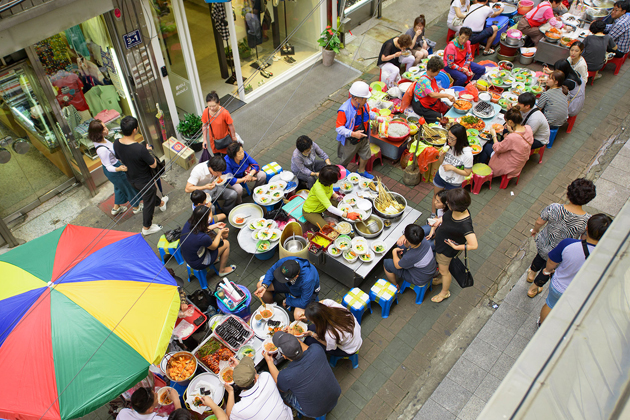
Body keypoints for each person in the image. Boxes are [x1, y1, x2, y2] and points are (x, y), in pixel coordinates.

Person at [532, 213, 612, 324]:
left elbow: (551, 261)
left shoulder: (569, 244)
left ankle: (542, 324)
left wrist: (548, 271)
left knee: (550, 305)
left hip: (559, 287)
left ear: (587, 227)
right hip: (581, 293)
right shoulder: (609, 256)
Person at [526, 178, 596, 296]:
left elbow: (539, 221)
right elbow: (583, 239)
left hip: (544, 242)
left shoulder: (554, 207)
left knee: (539, 257)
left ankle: (531, 274)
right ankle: (533, 289)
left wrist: (535, 230)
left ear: (569, 193)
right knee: (547, 269)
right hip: (560, 251)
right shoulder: (587, 220)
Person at [263, 331, 341, 418]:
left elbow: (280, 386)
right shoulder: (317, 349)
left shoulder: (285, 376)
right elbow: (306, 349)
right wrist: (291, 339)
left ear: (284, 356)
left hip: (314, 411)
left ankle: (293, 411)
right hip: (335, 395)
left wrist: (269, 362)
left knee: (279, 391)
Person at [113, 116, 167, 236]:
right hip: (144, 180)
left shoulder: (116, 143)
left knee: (148, 195)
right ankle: (146, 227)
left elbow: (119, 157)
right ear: (135, 130)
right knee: (148, 200)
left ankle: (161, 203)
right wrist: (148, 151)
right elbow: (153, 165)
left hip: (130, 178)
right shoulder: (139, 148)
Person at [432, 188, 478, 303]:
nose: (446, 204)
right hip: (441, 243)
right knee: (443, 268)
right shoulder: (457, 210)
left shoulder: (465, 225)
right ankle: (442, 279)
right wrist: (440, 220)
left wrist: (457, 247)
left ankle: (444, 292)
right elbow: (448, 218)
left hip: (446, 251)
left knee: (444, 271)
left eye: (448, 202)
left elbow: (474, 245)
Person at [88, 120, 142, 216]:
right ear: (98, 133)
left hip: (115, 166)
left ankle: (116, 208)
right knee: (128, 187)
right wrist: (119, 169)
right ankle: (136, 207)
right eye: (103, 128)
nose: (106, 129)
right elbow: (108, 166)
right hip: (114, 170)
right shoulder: (101, 150)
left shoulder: (100, 140)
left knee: (119, 187)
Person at [224, 357, 292, 420]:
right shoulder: (266, 377)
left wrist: (230, 392)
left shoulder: (239, 409)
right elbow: (256, 375)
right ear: (256, 378)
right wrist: (242, 368)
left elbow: (229, 417)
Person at [255, 257, 320, 320]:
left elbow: (304, 302)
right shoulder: (286, 261)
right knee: (259, 285)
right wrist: (264, 286)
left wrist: (287, 301)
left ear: (296, 276)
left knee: (298, 315)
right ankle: (273, 306)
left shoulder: (308, 280)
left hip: (303, 292)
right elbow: (272, 270)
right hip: (288, 284)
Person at [335, 81, 376, 179]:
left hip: (364, 137)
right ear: (356, 98)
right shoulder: (344, 110)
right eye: (364, 99)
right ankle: (340, 175)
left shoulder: (364, 105)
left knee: (366, 154)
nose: (366, 102)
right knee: (345, 160)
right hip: (351, 140)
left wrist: (378, 118)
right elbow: (339, 128)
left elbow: (369, 113)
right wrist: (353, 134)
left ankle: (361, 171)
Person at [479, 107, 534, 178]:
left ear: (510, 122)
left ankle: (480, 171)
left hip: (510, 164)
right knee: (494, 143)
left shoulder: (512, 137)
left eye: (507, 121)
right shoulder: (528, 128)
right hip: (520, 159)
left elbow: (497, 149)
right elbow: (520, 139)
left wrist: (494, 135)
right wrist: (511, 131)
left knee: (486, 147)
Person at [431, 124, 473, 215]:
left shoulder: (467, 154)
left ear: (460, 139)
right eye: (448, 137)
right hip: (441, 176)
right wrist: (441, 155)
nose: (449, 140)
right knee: (436, 196)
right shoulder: (448, 145)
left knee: (449, 202)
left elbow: (467, 172)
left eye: (452, 138)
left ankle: (443, 218)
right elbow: (441, 162)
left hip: (454, 183)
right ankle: (433, 214)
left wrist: (453, 168)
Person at [180, 205, 234, 276]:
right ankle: (222, 271)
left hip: (188, 256)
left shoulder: (189, 222)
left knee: (217, 239)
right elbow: (214, 246)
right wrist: (220, 232)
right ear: (206, 220)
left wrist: (215, 225)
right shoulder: (203, 237)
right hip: (199, 262)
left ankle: (215, 258)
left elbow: (200, 229)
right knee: (225, 243)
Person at [384, 224, 437, 289]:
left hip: (420, 279)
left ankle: (395, 287)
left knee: (386, 263)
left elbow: (397, 266)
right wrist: (404, 236)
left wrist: (394, 252)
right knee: (402, 246)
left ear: (408, 241)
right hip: (430, 270)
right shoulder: (422, 239)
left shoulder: (410, 256)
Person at [412, 57, 456, 124]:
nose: (439, 72)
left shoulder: (431, 76)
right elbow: (432, 94)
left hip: (431, 102)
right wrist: (447, 95)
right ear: (431, 69)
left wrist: (438, 89)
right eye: (437, 71)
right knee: (440, 119)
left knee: (446, 110)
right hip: (421, 106)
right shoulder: (424, 80)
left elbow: (430, 88)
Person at [201, 91, 236, 155]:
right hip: (214, 142)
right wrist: (205, 140)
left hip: (226, 140)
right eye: (209, 106)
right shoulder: (206, 112)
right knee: (217, 161)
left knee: (226, 159)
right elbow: (204, 125)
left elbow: (231, 125)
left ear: (219, 103)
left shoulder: (224, 113)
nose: (211, 108)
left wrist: (234, 137)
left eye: (214, 106)